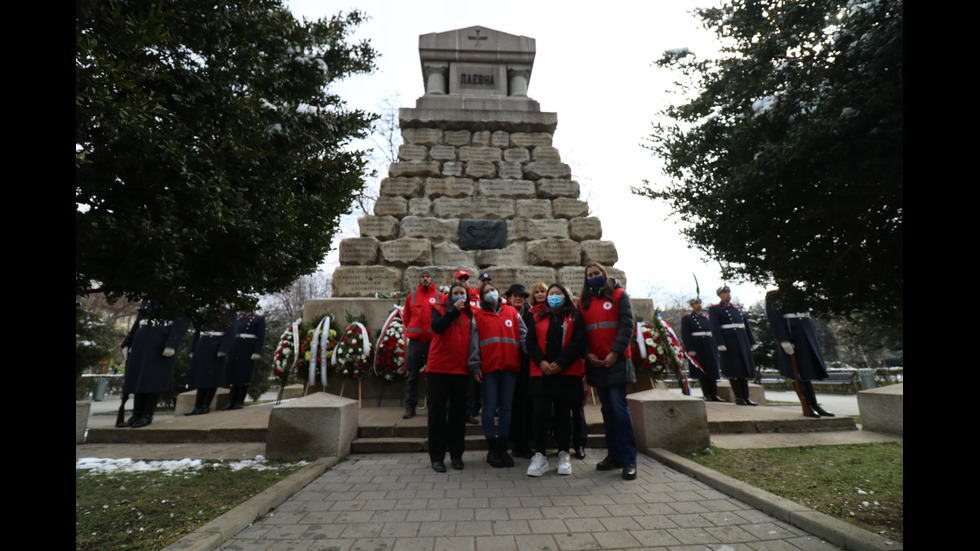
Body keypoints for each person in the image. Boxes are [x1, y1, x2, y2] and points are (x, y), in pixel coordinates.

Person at [578, 262, 638, 480]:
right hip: (596, 363)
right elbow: (581, 332)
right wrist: (586, 353)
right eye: (590, 275)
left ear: (604, 275)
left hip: (617, 360)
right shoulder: (583, 302)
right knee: (608, 412)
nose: (593, 277)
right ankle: (614, 456)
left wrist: (615, 352)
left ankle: (629, 459)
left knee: (619, 409)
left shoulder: (619, 295)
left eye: (596, 273)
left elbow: (627, 325)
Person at [525, 284, 586, 477]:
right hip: (541, 373)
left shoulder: (575, 316)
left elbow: (577, 342)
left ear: (566, 297)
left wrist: (560, 363)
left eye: (558, 294)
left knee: (563, 415)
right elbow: (530, 342)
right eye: (551, 294)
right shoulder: (536, 316)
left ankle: (563, 453)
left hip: (566, 373)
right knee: (540, 414)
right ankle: (540, 455)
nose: (553, 297)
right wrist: (542, 362)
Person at [469, 281, 526, 468]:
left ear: (499, 292)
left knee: (506, 408)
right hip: (489, 368)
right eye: (486, 292)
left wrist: (534, 355)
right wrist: (475, 365)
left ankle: (502, 447)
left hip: (510, 366)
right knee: (489, 406)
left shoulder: (512, 312)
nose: (491, 293)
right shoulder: (477, 315)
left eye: (493, 289)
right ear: (482, 296)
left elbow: (524, 336)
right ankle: (492, 448)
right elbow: (474, 343)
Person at [426, 282, 475, 472]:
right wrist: (452, 310)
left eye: (462, 293)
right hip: (439, 368)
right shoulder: (438, 309)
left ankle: (456, 456)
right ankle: (437, 457)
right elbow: (437, 327)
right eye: (455, 293)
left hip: (461, 370)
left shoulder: (471, 314)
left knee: (458, 414)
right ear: (449, 296)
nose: (459, 295)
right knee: (437, 413)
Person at [765, 285, 835, 417]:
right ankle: (807, 405)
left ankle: (814, 405)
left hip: (806, 332)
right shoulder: (773, 295)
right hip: (792, 334)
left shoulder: (800, 293)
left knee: (807, 372)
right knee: (797, 374)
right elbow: (774, 318)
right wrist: (783, 339)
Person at [119, 300, 190, 428]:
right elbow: (138, 320)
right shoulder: (148, 298)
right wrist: (127, 342)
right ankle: (136, 414)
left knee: (152, 379)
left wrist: (171, 343)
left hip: (159, 339)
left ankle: (147, 414)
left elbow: (182, 320)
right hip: (141, 339)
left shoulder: (176, 296)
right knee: (138, 379)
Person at [401, 270, 444, 419]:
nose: (425, 279)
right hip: (416, 342)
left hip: (433, 342)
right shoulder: (411, 297)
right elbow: (406, 318)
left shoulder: (440, 297)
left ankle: (434, 406)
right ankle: (410, 407)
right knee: (412, 375)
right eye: (423, 277)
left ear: (432, 279)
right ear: (420, 280)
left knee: (434, 376)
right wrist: (411, 333)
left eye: (428, 277)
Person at [709, 286, 758, 406]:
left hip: (742, 341)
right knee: (734, 371)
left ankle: (746, 397)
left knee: (744, 369)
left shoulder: (737, 308)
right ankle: (739, 397)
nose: (727, 295)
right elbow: (715, 328)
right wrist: (720, 343)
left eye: (728, 292)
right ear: (719, 295)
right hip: (729, 342)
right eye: (724, 293)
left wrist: (752, 341)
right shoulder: (716, 309)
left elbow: (746, 326)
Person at [185, 305, 235, 415]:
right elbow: (198, 330)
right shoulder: (205, 311)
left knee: (212, 377)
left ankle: (205, 405)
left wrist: (223, 349)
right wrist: (193, 348)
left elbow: (231, 332)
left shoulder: (228, 312)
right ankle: (197, 406)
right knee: (200, 377)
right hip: (203, 343)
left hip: (216, 345)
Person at [505, 283, 534, 459]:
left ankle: (525, 443)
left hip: (526, 365)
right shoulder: (503, 312)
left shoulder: (530, 315)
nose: (518, 299)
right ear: (509, 298)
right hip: (509, 362)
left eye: (521, 296)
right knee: (511, 405)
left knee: (526, 405)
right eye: (515, 296)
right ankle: (514, 443)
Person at [681, 298, 724, 402]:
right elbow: (685, 335)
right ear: (692, 305)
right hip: (698, 345)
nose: (699, 305)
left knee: (712, 370)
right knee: (702, 370)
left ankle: (715, 394)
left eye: (700, 303)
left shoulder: (707, 317)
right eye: (696, 303)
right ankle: (707, 394)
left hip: (709, 344)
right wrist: (690, 349)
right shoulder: (687, 318)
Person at [222, 310, 266, 410]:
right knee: (233, 376)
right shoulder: (237, 318)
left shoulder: (258, 319)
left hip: (247, 348)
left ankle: (239, 401)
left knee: (243, 376)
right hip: (235, 347)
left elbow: (261, 336)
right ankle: (231, 401)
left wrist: (257, 351)